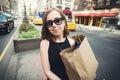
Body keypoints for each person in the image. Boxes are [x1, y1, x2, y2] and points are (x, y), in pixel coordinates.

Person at [40, 8, 75, 80]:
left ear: (64, 22)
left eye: (58, 21)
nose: (54, 25)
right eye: (49, 23)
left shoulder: (72, 43)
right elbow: (47, 71)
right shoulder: (44, 44)